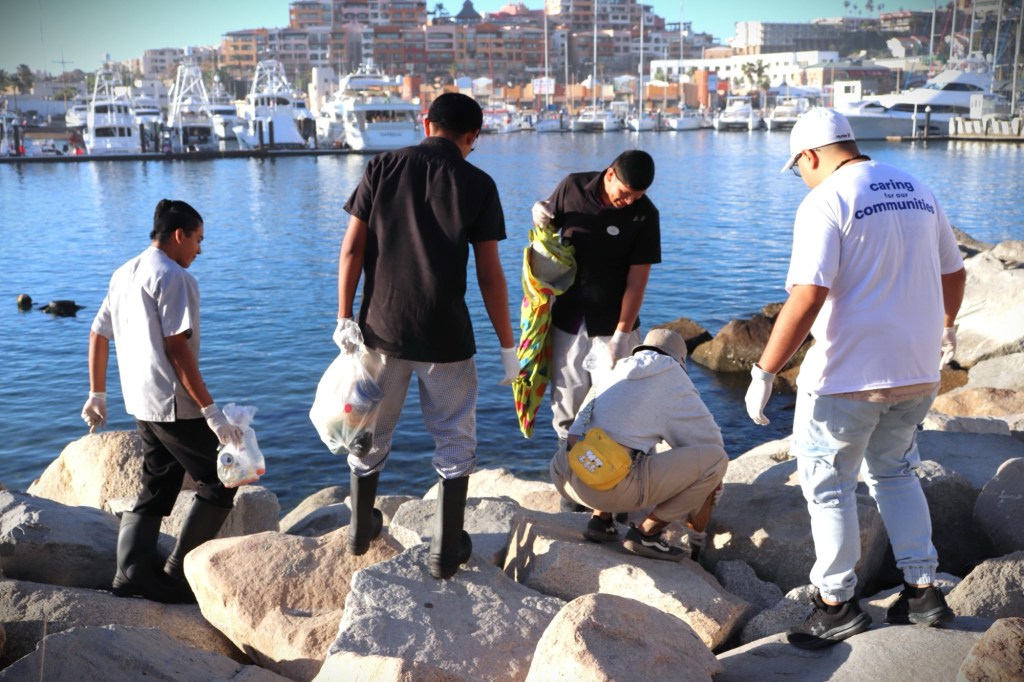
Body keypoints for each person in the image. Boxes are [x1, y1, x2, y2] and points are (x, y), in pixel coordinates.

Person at [745, 108, 967, 649]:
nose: (801, 176)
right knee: (895, 472)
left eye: (798, 166)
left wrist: (765, 370)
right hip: (917, 372)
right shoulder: (917, 188)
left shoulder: (825, 200)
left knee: (828, 486)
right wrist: (943, 328)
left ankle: (835, 603)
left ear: (811, 155)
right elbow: (955, 272)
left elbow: (807, 294)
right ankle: (921, 589)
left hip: (848, 376)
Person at [335, 92, 518, 579]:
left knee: (368, 430)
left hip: (380, 330)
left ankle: (359, 527)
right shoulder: (478, 183)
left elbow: (352, 249)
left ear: (425, 122)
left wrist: (343, 317)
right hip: (446, 337)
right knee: (455, 436)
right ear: (472, 137)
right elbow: (489, 275)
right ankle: (444, 549)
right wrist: (507, 345)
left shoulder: (383, 166)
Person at [82, 199, 243, 604]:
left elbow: (98, 334)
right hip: (172, 404)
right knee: (224, 479)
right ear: (178, 235)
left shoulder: (124, 272)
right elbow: (177, 350)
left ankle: (131, 575)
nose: (199, 250)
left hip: (140, 401)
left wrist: (97, 393)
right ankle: (176, 575)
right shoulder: (173, 277)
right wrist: (211, 411)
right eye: (198, 240)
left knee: (158, 483)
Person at [550, 329, 727, 561]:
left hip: (562, 471)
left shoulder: (617, 369)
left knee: (616, 438)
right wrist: (714, 484)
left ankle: (601, 521)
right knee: (716, 461)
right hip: (602, 487)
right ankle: (647, 534)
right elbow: (711, 446)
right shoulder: (672, 376)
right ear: (680, 361)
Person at [531, 150, 661, 445]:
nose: (630, 201)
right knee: (567, 410)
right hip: (568, 319)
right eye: (626, 193)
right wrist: (540, 214)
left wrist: (621, 336)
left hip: (615, 325)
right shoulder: (572, 187)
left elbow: (637, 282)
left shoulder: (645, 214)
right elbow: (548, 233)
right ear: (610, 174)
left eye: (637, 196)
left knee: (619, 411)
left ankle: (618, 484)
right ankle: (571, 481)